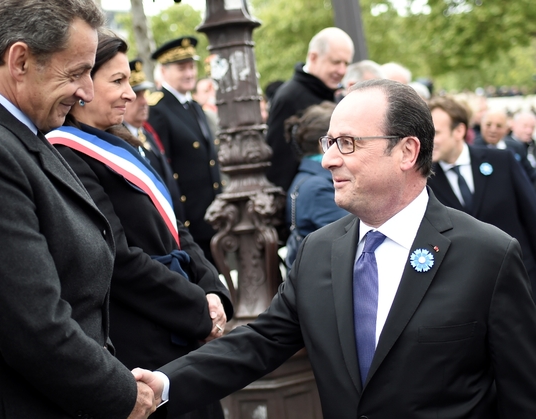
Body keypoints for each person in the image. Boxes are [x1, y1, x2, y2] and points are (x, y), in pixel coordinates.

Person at [135, 79, 536, 418]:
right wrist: (164, 383)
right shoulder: (319, 251)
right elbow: (258, 343)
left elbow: (522, 395)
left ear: (407, 151)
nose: (327, 159)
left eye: (347, 143)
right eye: (329, 141)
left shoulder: (488, 255)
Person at [0, 1, 156, 418]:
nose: (86, 92)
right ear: (20, 60)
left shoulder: (12, 128)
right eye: (75, 72)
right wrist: (122, 395)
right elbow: (35, 328)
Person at [46, 32, 233, 419]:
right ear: (81, 85)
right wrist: (197, 309)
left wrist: (213, 291)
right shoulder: (65, 155)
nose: (130, 94)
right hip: (144, 341)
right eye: (117, 82)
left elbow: (177, 230)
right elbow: (117, 258)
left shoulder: (125, 144)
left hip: (183, 328)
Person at [426, 96, 536, 298]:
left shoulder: (502, 161)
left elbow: (531, 215)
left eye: (435, 133)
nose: (427, 141)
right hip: (467, 294)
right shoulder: (425, 180)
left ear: (458, 131)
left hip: (519, 282)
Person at [147, 36, 222, 264]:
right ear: (164, 71)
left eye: (191, 66)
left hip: (210, 216)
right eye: (182, 68)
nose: (189, 73)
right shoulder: (159, 109)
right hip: (188, 219)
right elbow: (163, 167)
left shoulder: (194, 106)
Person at [265, 27, 354, 192]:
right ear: (313, 57)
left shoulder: (335, 94)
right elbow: (279, 163)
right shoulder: (289, 97)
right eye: (335, 62)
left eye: (346, 63)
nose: (342, 70)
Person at [283, 101, 348, 268]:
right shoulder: (317, 187)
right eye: (343, 141)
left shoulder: (310, 178)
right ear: (324, 145)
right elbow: (348, 241)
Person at [123, 58, 184, 220]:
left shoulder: (146, 132)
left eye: (144, 94)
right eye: (136, 95)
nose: (144, 102)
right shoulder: (119, 142)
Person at [475, 109, 536, 185]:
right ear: (481, 125)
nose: (493, 130)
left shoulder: (516, 148)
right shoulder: (473, 148)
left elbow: (531, 175)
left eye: (499, 126)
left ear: (506, 129)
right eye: (488, 125)